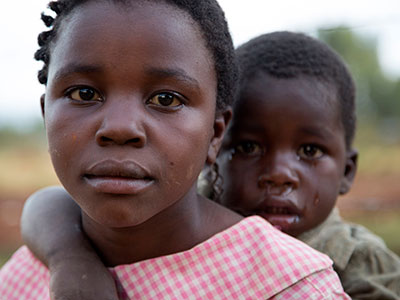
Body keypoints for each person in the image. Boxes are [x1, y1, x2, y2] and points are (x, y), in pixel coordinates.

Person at [0, 1, 350, 299]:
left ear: (216, 134)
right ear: (47, 116)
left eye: (165, 99)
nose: (120, 127)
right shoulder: (23, 278)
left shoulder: (291, 287)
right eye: (84, 94)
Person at [209, 31, 400, 299]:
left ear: (347, 171)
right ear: (211, 153)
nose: (278, 175)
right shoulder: (181, 235)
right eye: (248, 148)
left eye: (310, 151)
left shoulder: (363, 266)